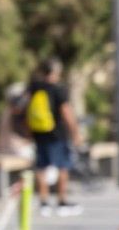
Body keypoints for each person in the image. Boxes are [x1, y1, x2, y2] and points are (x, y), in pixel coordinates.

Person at [25, 58, 84, 216]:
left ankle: (44, 202)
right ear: (55, 72)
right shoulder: (58, 89)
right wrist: (75, 132)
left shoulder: (34, 88)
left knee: (41, 167)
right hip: (57, 134)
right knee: (62, 166)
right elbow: (66, 112)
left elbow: (27, 111)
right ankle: (61, 201)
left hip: (39, 134)